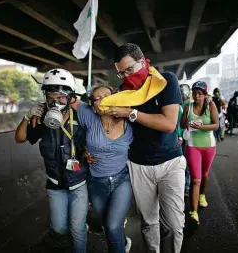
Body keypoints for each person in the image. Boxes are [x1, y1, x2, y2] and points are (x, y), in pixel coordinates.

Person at [96, 43, 186, 253]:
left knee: (173, 224)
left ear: (144, 62)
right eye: (121, 73)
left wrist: (131, 113)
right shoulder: (123, 96)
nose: (126, 77)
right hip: (138, 165)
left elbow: (169, 124)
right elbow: (108, 129)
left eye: (130, 70)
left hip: (170, 163)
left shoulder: (165, 81)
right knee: (148, 222)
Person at [15, 69, 89, 253]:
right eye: (51, 95)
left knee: (77, 229)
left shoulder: (81, 117)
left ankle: (81, 233)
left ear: (71, 96)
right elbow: (20, 138)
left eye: (62, 96)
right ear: (45, 96)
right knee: (59, 228)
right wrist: (26, 117)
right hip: (55, 185)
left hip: (78, 183)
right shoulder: (40, 119)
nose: (56, 100)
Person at [70, 85, 133, 253]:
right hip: (96, 183)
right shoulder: (89, 116)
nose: (103, 100)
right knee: (109, 226)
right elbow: (66, 97)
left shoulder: (128, 118)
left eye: (107, 95)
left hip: (121, 180)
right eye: (97, 98)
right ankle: (123, 243)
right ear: (93, 106)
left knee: (112, 226)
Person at [181, 81, 218, 225]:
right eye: (194, 93)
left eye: (200, 94)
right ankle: (193, 212)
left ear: (205, 95)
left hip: (209, 146)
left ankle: (202, 195)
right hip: (192, 146)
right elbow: (182, 124)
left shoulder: (210, 106)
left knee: (204, 175)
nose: (196, 96)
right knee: (195, 179)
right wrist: (188, 124)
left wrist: (201, 127)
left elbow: (216, 125)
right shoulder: (188, 107)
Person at [178, 84, 191, 197]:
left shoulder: (190, 105)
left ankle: (187, 186)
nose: (183, 92)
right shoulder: (177, 104)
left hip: (187, 138)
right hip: (178, 138)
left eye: (184, 90)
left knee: (187, 163)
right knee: (180, 163)